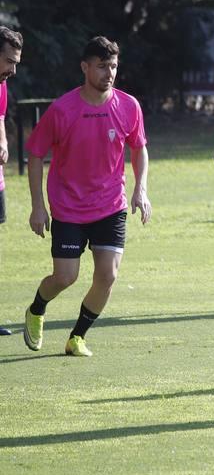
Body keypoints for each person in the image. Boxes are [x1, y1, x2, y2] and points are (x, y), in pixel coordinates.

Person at [22, 37, 150, 356]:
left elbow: (139, 147)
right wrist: (38, 206)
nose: (109, 73)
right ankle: (37, 308)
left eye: (114, 66)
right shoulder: (62, 109)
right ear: (85, 67)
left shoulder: (128, 106)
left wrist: (140, 188)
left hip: (110, 205)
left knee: (108, 275)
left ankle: (77, 337)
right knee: (65, 277)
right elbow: (36, 154)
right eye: (102, 66)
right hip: (68, 208)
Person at [0, 27, 21, 337]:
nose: (12, 69)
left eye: (16, 62)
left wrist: (3, 142)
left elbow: (0, 118)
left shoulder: (1, 85)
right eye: (7, 61)